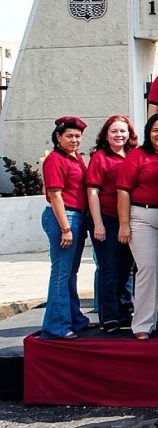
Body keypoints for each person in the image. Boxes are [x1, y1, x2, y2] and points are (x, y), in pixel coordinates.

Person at [117, 113, 158, 340]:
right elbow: (123, 191)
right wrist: (124, 224)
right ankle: (142, 323)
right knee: (148, 269)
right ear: (148, 133)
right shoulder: (137, 156)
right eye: (155, 130)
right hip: (143, 216)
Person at [39, 116, 91, 340]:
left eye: (78, 136)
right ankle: (57, 325)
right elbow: (55, 195)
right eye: (69, 136)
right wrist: (65, 228)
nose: (74, 140)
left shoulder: (76, 157)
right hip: (63, 217)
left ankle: (74, 318)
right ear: (58, 137)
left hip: (76, 216)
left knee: (70, 272)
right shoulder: (55, 159)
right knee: (61, 273)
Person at [86, 115, 138, 333]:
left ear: (129, 134)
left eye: (123, 131)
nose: (119, 135)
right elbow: (92, 192)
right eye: (114, 131)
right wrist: (98, 224)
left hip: (129, 218)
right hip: (106, 218)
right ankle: (109, 317)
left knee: (127, 268)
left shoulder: (134, 155)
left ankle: (126, 311)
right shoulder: (100, 157)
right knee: (109, 268)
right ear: (106, 135)